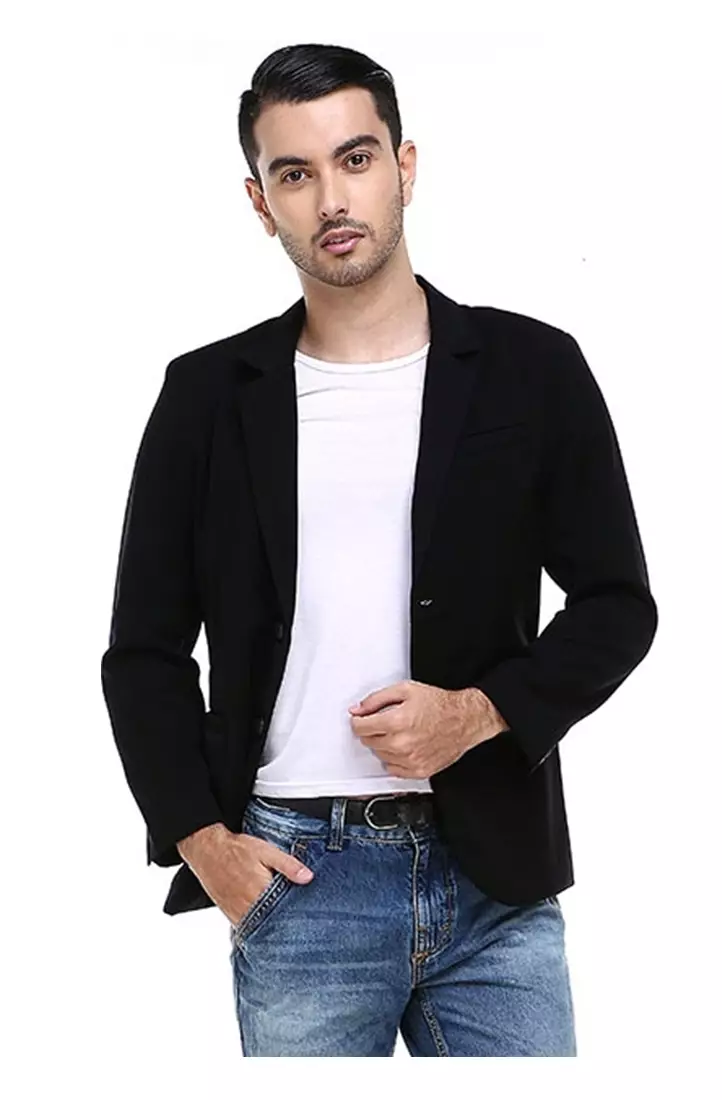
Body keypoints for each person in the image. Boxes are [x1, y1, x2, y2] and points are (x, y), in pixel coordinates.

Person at [101, 42, 658, 1057]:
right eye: (294, 173)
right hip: (296, 876)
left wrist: (479, 712)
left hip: (494, 878)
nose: (331, 199)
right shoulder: (206, 397)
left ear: (403, 167)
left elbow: (617, 603)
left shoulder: (532, 369)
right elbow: (143, 651)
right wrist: (201, 842)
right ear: (261, 202)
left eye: (354, 159)